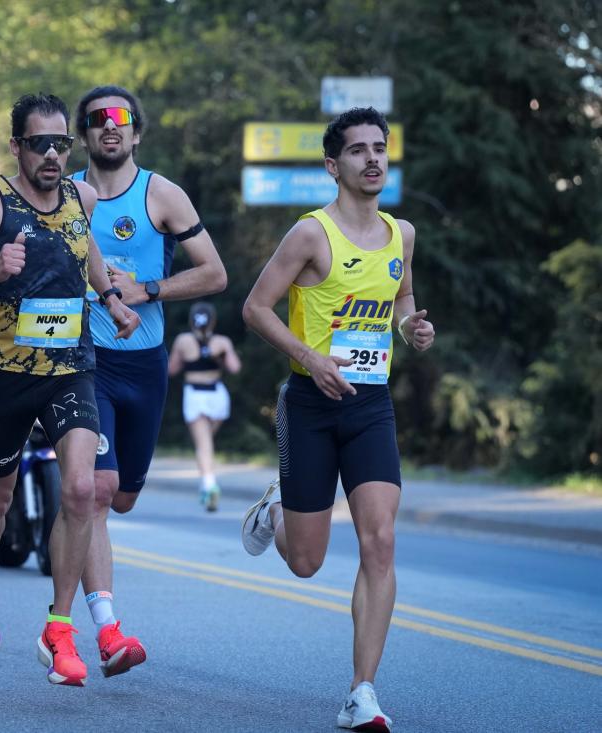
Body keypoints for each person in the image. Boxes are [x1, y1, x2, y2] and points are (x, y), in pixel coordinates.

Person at [0, 92, 139, 687]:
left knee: (81, 488)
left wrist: (112, 299)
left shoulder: (81, 196)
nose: (52, 155)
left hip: (70, 367)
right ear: (16, 146)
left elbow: (86, 249)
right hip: (3, 374)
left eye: (60, 144)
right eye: (39, 143)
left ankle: (59, 628)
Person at [239, 107, 434, 733]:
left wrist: (410, 326)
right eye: (358, 150)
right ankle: (275, 509)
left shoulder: (402, 233)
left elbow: (401, 295)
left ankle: (361, 692)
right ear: (333, 164)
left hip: (370, 405)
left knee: (380, 541)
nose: (373, 158)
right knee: (306, 562)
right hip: (310, 405)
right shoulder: (311, 234)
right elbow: (255, 308)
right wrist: (309, 358)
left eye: (380, 148)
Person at [68, 86, 227, 675]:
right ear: (83, 134)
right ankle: (107, 629)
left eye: (121, 118)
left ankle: (76, 513)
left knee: (124, 495)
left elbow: (214, 273)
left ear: (136, 132)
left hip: (146, 363)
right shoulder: (66, 196)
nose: (110, 126)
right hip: (86, 361)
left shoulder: (161, 194)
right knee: (97, 491)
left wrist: (149, 289)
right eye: (98, 119)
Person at [167, 301, 241, 511]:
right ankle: (207, 484)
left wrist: (187, 358)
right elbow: (235, 368)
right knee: (206, 442)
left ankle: (209, 486)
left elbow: (171, 370)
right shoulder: (222, 341)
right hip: (217, 394)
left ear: (191, 320)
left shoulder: (183, 341)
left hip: (195, 394)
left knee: (203, 444)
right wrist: (221, 355)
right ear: (213, 321)